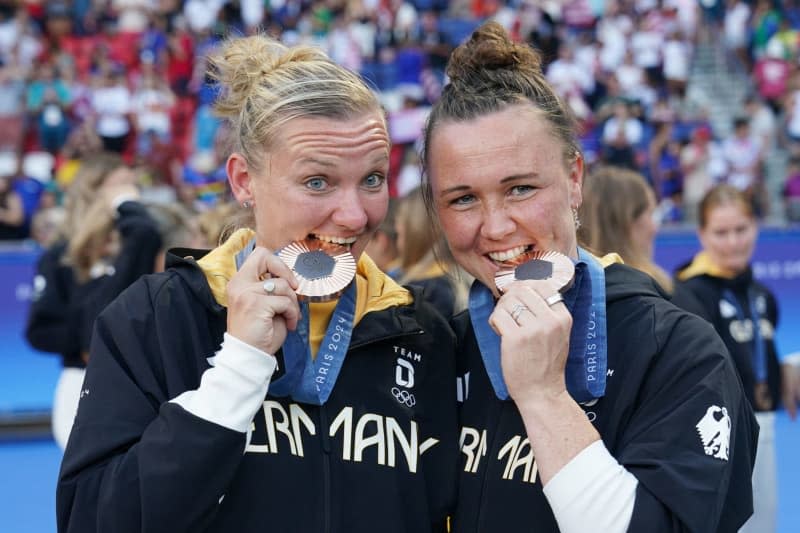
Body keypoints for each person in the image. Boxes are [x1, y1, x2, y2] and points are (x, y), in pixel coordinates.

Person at [56, 34, 458, 533]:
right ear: (244, 180)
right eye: (318, 182)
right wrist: (239, 367)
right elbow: (94, 522)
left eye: (373, 179)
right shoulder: (154, 318)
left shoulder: (424, 333)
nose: (355, 216)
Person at [420, 22, 757, 533]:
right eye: (463, 198)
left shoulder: (678, 351)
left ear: (574, 179)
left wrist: (545, 397)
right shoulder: (445, 351)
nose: (495, 226)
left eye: (520, 189)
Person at [672, 184, 799, 533]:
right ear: (701, 234)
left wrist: (785, 366)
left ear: (755, 227)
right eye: (721, 232)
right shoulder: (687, 294)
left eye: (741, 230)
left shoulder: (763, 295)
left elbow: (751, 350)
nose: (732, 242)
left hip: (766, 427)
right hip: (718, 439)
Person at [25, 152, 163, 450]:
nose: (130, 195)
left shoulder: (145, 238)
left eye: (131, 187)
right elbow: (40, 331)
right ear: (93, 192)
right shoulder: (61, 256)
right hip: (84, 379)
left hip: (145, 380)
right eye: (119, 188)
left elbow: (145, 234)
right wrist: (89, 341)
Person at [578, 165, 672, 293]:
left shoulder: (571, 291)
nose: (654, 228)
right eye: (650, 214)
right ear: (627, 222)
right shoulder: (652, 295)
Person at [394, 187, 468, 317]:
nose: (397, 243)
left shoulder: (419, 295)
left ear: (415, 235)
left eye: (399, 234)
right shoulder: (462, 282)